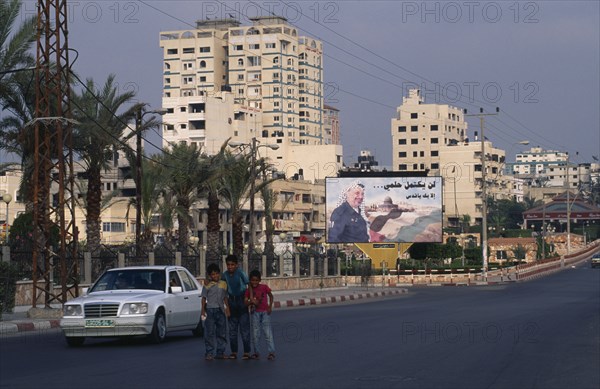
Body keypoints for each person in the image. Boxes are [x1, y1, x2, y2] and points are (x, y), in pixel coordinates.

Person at [221, 254, 252, 360]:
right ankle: (234, 351)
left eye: (232, 265)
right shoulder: (224, 275)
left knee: (244, 330)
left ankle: (247, 352)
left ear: (236, 265)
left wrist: (249, 300)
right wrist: (226, 307)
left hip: (241, 301)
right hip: (231, 302)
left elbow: (249, 285)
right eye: (228, 265)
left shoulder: (240, 273)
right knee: (232, 330)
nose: (230, 267)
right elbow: (223, 292)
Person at [201, 263, 230, 360]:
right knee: (209, 332)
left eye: (217, 274)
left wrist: (227, 308)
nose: (215, 276)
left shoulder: (223, 284)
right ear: (209, 275)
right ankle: (209, 352)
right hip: (210, 310)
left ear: (219, 274)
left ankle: (220, 352)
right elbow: (204, 298)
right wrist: (202, 310)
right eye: (213, 274)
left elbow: (225, 297)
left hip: (220, 310)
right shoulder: (207, 285)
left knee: (221, 332)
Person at [245, 270, 275, 360]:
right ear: (250, 280)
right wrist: (251, 301)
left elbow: (271, 295)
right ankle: (256, 352)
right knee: (255, 334)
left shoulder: (264, 287)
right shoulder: (248, 290)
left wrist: (270, 306)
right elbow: (246, 301)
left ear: (259, 280)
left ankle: (271, 352)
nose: (254, 282)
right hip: (255, 313)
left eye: (256, 280)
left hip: (265, 312)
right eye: (252, 280)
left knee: (267, 333)